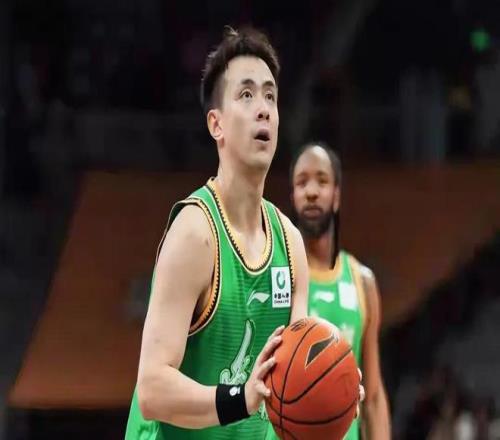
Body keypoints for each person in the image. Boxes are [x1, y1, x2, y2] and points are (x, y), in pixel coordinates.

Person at [124, 26, 310, 439]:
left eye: (270, 97)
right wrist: (240, 399)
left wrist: (331, 391)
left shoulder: (291, 244)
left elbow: (295, 376)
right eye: (246, 95)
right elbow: (152, 389)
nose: (263, 109)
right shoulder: (195, 235)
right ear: (216, 125)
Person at [289, 142, 391, 439]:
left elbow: (372, 397)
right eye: (302, 182)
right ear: (293, 197)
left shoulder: (362, 281)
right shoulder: (279, 275)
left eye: (322, 181)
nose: (311, 191)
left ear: (336, 197)